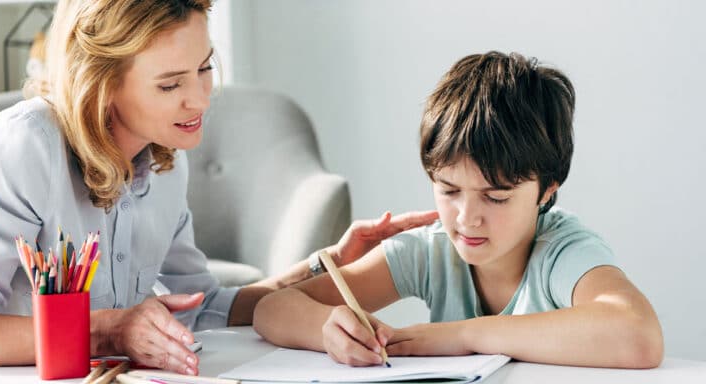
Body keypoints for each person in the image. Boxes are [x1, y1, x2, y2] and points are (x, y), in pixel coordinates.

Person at [0, 0, 439, 375]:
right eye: (170, 84)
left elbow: (199, 307)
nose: (200, 99)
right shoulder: (20, 149)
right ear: (103, 83)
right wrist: (112, 328)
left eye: (204, 69)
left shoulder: (165, 164)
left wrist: (325, 264)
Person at [254, 51, 664, 369]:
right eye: (448, 190)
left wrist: (464, 335)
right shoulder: (431, 250)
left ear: (546, 191)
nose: (467, 218)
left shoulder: (562, 251)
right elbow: (273, 309)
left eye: (496, 197)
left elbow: (638, 334)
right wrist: (327, 330)